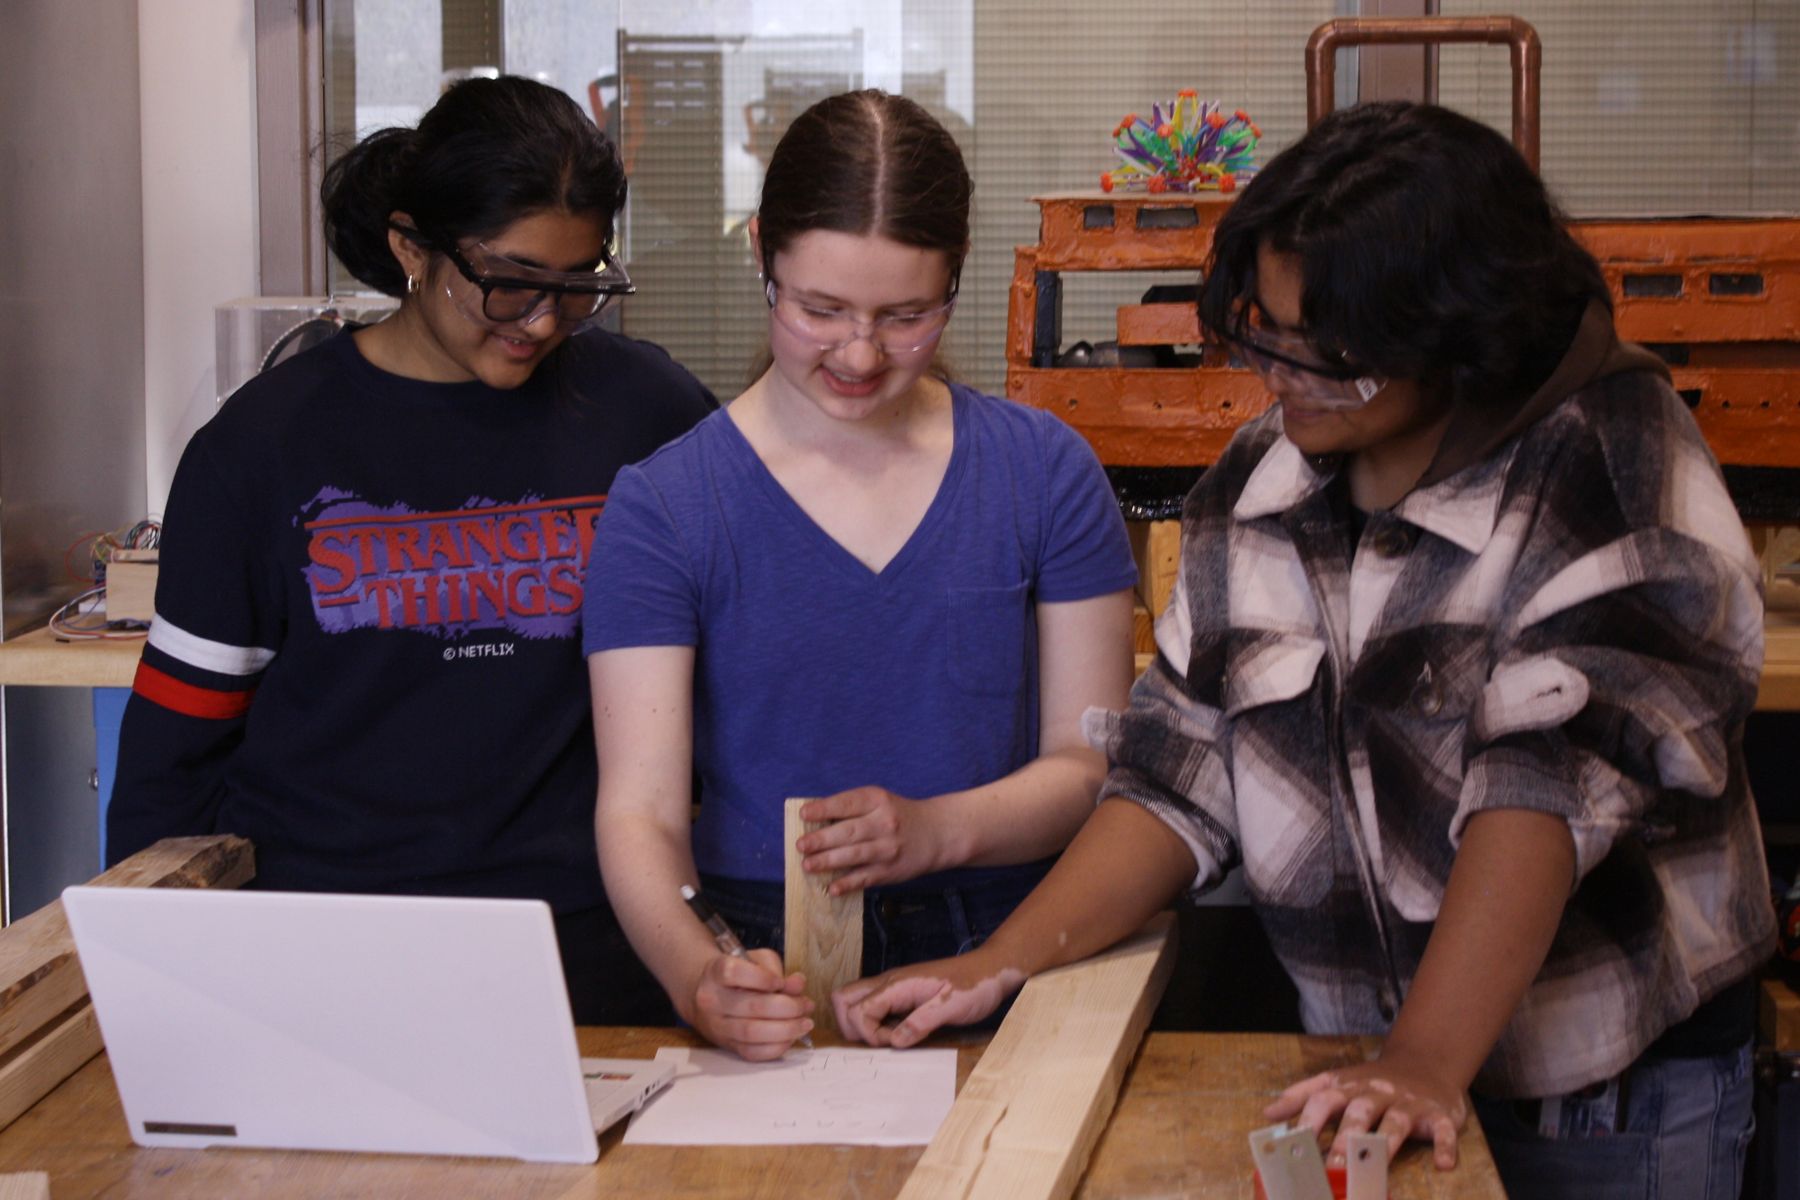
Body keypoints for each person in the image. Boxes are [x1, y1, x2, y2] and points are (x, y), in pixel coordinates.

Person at [833, 101, 1775, 1199]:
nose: (1277, 374)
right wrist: (998, 963)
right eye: (1263, 332)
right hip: (1366, 1070)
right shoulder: (1264, 475)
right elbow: (1177, 772)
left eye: (1323, 353)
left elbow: (1542, 797)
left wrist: (1423, 1062)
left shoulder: (1610, 467)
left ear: (1457, 334)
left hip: (1602, 1104)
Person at [108, 76, 716, 1024]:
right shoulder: (263, 447)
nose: (541, 321)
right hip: (323, 950)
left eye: (577, 286)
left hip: (591, 949)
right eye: (510, 282)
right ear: (410, 247)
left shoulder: (645, 412)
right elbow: (171, 761)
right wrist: (152, 995)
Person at [583, 89, 1138, 1061]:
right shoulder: (667, 505)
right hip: (763, 943)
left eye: (907, 316)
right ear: (762, 254)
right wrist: (696, 971)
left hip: (1011, 934)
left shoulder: (1043, 472)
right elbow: (641, 813)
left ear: (957, 278)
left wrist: (937, 831)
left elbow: (1091, 767)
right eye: (820, 309)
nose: (859, 353)